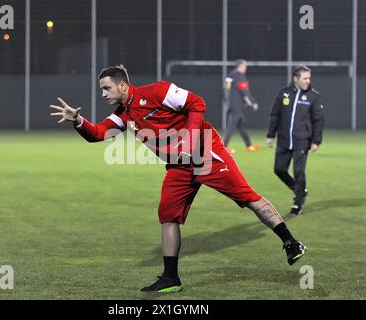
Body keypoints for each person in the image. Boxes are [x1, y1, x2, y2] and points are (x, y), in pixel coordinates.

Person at [50, 65, 306, 293]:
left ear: (122, 85)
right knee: (167, 215)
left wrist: (191, 141)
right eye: (102, 90)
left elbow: (197, 103)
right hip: (179, 166)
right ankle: (171, 277)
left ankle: (290, 242)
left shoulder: (157, 91)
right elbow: (98, 134)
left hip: (206, 153)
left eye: (107, 88)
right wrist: (78, 120)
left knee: (247, 197)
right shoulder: (125, 114)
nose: (104, 94)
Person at [267, 65, 325, 215]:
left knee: (299, 171)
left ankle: (298, 202)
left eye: (309, 78)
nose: (308, 81)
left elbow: (319, 121)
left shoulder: (314, 96)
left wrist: (316, 141)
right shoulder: (284, 93)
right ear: (295, 79)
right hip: (284, 140)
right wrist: (271, 135)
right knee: (279, 170)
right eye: (304, 78)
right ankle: (299, 189)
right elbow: (275, 115)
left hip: (302, 141)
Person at [223, 59, 260, 153]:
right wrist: (253, 103)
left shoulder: (230, 75)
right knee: (231, 127)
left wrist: (227, 101)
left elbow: (226, 89)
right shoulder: (240, 77)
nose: (246, 69)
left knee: (241, 126)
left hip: (231, 104)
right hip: (236, 105)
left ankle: (249, 146)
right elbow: (245, 92)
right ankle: (222, 148)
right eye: (245, 67)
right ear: (240, 66)